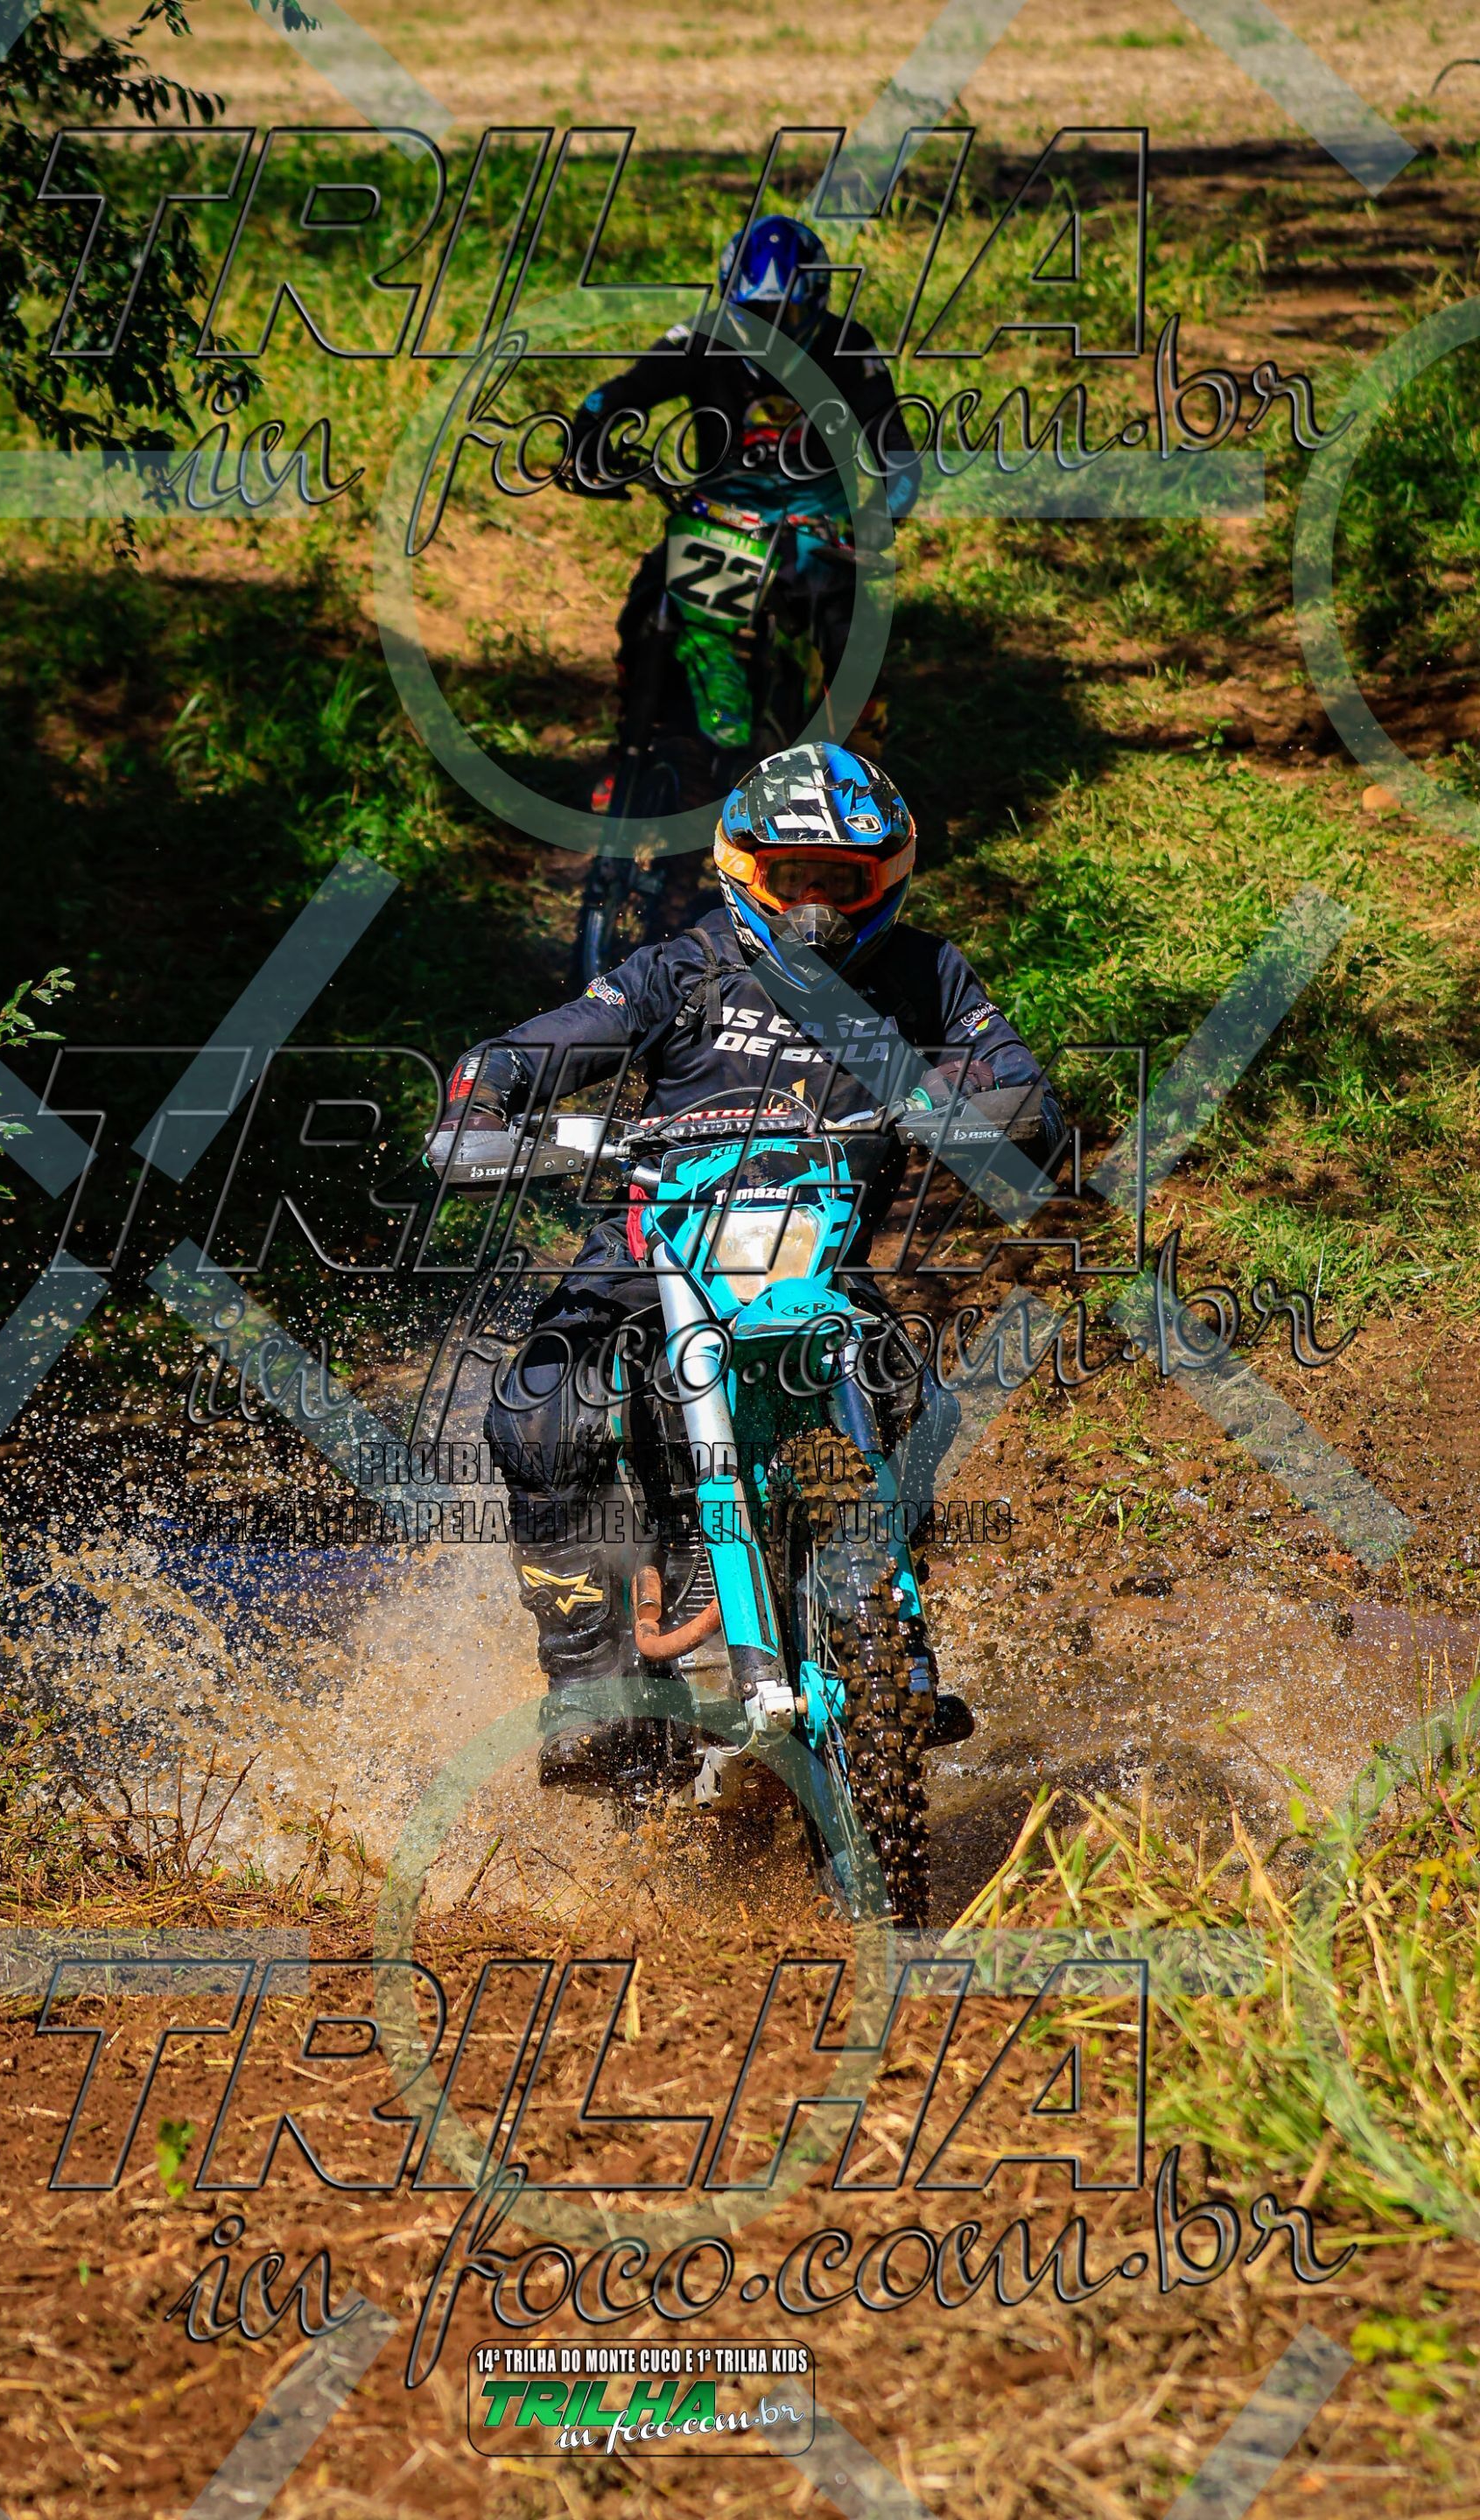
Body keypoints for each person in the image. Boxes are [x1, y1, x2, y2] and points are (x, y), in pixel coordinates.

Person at [426, 742, 1066, 1787]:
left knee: (919, 1401)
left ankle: (890, 1646)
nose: (815, 911)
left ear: (886, 881)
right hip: (655, 1250)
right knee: (537, 1409)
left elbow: (1019, 1083)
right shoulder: (684, 967)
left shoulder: (924, 976)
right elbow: (533, 1047)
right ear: (744, 871)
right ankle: (585, 1679)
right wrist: (483, 1101)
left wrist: (984, 1106)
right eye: (793, 880)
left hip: (815, 1259)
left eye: (839, 884)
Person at [564, 214, 922, 787]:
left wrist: (885, 509)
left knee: (850, 629)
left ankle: (861, 766)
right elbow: (625, 391)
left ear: (818, 304)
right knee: (650, 601)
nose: (771, 328)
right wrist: (589, 432)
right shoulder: (699, 339)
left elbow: (894, 442)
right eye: (756, 312)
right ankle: (632, 738)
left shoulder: (848, 347)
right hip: (721, 521)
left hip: (813, 527)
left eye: (787, 314)